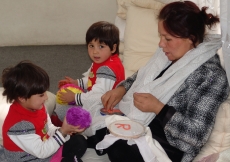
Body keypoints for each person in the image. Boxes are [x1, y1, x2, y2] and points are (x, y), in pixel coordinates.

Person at [91, 1, 230, 162]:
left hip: (167, 146)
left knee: (118, 144)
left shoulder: (211, 76)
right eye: (161, 36)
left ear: (191, 38)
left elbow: (196, 135)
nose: (161, 44)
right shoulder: (167, 54)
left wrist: (159, 109)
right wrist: (121, 89)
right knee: (95, 116)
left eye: (168, 38)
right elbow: (142, 76)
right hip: (142, 125)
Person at [1, 60, 87, 162]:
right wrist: (62, 132)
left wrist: (66, 131)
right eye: (41, 95)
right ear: (22, 98)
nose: (46, 97)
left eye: (45, 92)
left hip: (45, 148)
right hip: (34, 158)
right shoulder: (19, 125)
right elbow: (42, 152)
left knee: (79, 141)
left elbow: (48, 128)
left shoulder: (38, 106)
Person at [53, 21, 125, 123]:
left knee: (63, 109)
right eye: (91, 46)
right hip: (95, 97)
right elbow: (93, 79)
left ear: (113, 48)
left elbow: (97, 96)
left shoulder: (107, 69)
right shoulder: (103, 60)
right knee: (63, 97)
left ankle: (65, 124)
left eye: (101, 46)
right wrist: (77, 83)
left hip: (103, 106)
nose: (95, 51)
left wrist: (75, 97)